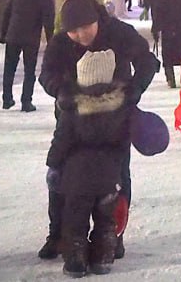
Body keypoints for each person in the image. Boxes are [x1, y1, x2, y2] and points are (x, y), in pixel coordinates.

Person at [38, 0, 158, 263]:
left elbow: (148, 62)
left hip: (115, 120)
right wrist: (61, 92)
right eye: (74, 30)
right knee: (63, 177)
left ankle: (113, 235)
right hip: (74, 118)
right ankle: (57, 235)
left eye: (86, 27)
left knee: (117, 178)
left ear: (97, 20)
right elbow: (46, 74)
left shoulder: (119, 33)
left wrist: (134, 90)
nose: (80, 35)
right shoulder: (61, 42)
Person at [45, 49, 130, 277]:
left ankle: (76, 262)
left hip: (77, 178)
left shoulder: (73, 109)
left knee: (75, 221)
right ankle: (102, 258)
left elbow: (62, 140)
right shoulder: (120, 107)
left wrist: (53, 163)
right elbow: (125, 140)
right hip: (108, 177)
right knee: (105, 220)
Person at [0, 0, 55, 112]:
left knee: (9, 68)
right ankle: (26, 101)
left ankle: (7, 99)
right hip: (31, 38)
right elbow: (48, 19)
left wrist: (3, 33)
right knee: (29, 71)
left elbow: (7, 12)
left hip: (13, 35)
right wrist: (51, 42)